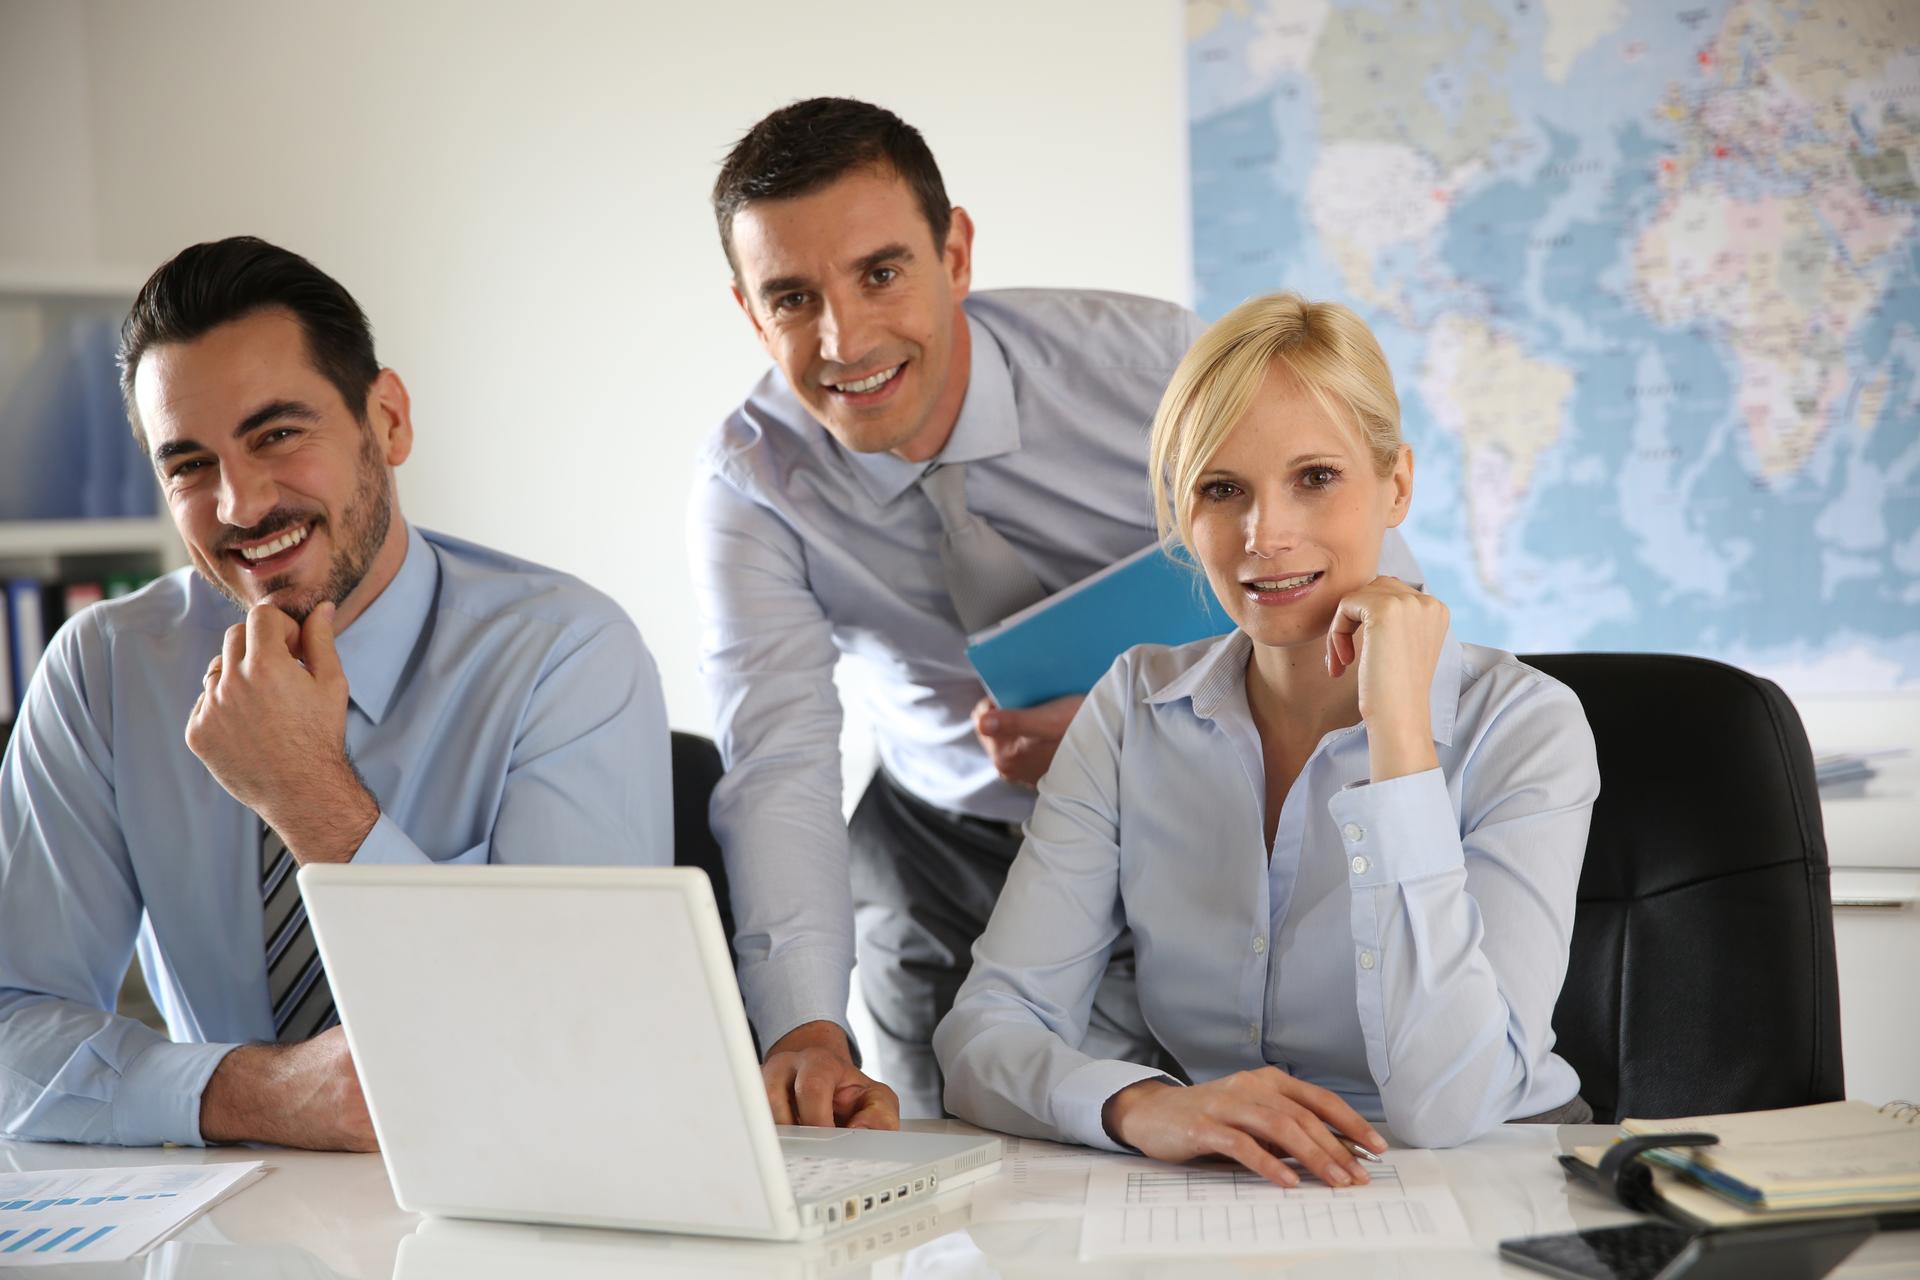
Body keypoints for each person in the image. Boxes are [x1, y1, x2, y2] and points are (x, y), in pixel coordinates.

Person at [693, 98, 1424, 1125]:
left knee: (1207, 1131)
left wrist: (1139, 736)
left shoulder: (1152, 367)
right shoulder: (751, 482)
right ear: (749, 310)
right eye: (792, 297)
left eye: (880, 273)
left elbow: (1365, 593)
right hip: (939, 843)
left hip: (1196, 816)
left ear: (955, 254)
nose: (843, 339)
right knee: (952, 1142)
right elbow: (779, 759)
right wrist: (805, 1025)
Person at [0, 237, 674, 1150]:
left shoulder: (567, 655)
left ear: (386, 421)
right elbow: (13, 1025)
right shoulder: (104, 669)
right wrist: (257, 1094)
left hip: (523, 1188)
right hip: (224, 1210)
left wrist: (305, 792)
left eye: (277, 434)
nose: (240, 505)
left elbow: (575, 1039)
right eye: (189, 465)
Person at [935, 293, 1598, 1183]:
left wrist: (1400, 738)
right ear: (1184, 515)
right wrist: (1143, 1105)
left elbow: (1450, 1104)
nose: (1266, 536)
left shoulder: (1525, 725)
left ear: (1397, 485)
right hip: (1242, 1178)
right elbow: (984, 1036)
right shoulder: (1134, 710)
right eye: (1223, 490)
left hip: (1492, 1174)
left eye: (1315, 477)